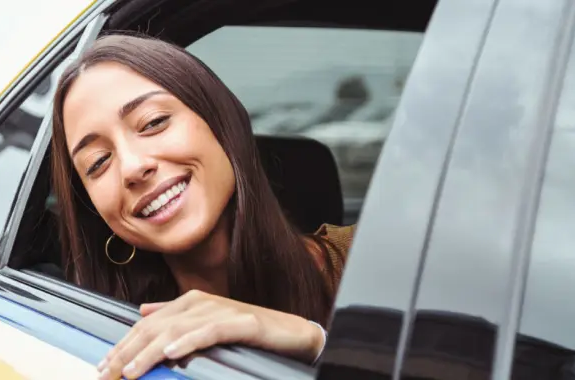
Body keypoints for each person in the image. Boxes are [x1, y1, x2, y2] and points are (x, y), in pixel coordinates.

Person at [50, 33, 356, 380]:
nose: (133, 167)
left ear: (221, 123)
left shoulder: (383, 263)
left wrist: (313, 341)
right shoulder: (103, 337)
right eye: (98, 162)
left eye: (153, 122)